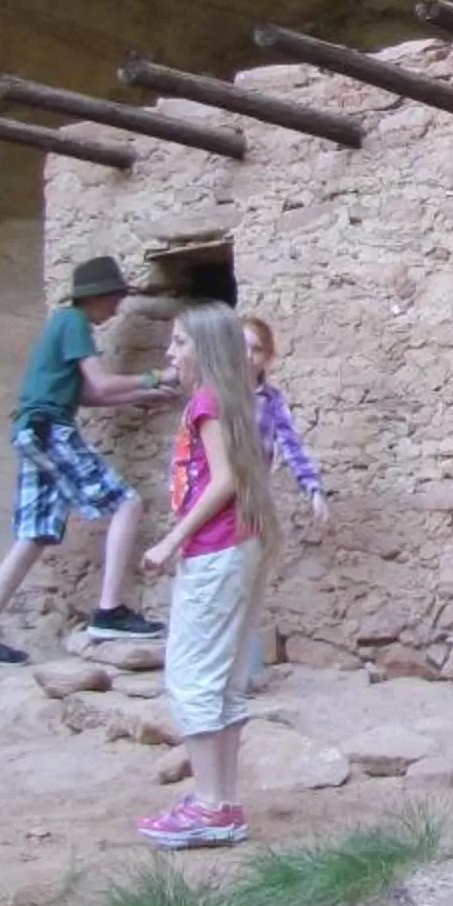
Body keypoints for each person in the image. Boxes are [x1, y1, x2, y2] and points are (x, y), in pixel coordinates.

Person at [0, 257, 178, 668]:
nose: (117, 308)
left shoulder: (64, 326)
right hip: (49, 429)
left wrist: (138, 397)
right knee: (127, 503)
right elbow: (103, 383)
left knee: (34, 536)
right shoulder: (72, 322)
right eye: (115, 298)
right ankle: (109, 611)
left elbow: (89, 396)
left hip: (32, 429)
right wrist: (155, 378)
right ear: (99, 296)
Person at [134, 304, 283, 850]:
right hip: (239, 544)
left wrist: (174, 539)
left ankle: (209, 803)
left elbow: (221, 482)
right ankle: (219, 801)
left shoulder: (207, 401)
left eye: (179, 343)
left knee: (193, 673)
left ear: (204, 348)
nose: (171, 353)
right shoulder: (234, 398)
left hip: (216, 548)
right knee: (222, 677)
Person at [234, 314, 330, 695]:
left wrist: (314, 490)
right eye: (241, 347)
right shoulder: (214, 395)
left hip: (251, 505)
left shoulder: (269, 402)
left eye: (257, 349)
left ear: (268, 356)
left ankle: (241, 673)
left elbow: (291, 447)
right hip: (215, 505)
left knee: (249, 588)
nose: (248, 356)